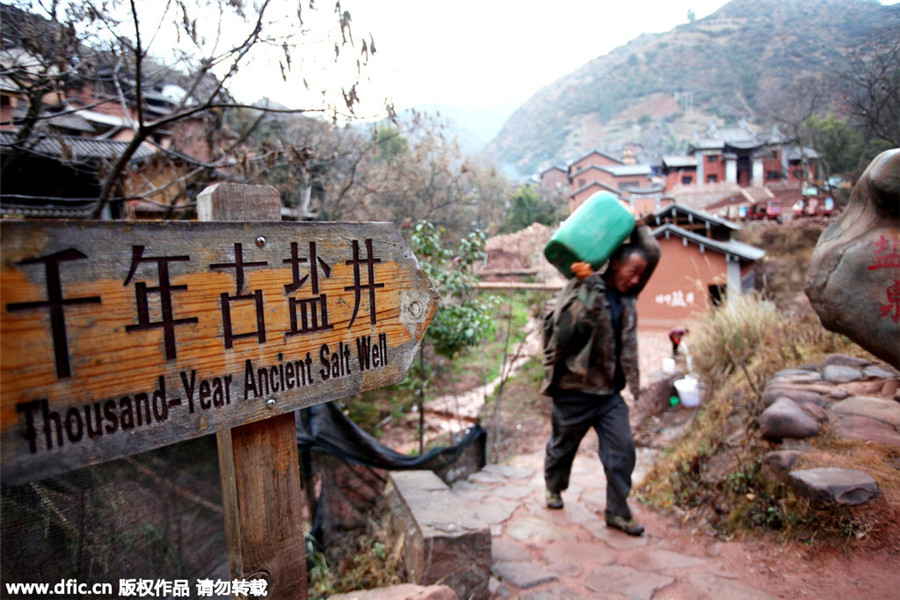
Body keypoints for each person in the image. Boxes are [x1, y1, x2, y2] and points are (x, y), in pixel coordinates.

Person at [541, 217, 660, 536]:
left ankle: (617, 512)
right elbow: (571, 331)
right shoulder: (578, 289)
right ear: (615, 266)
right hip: (573, 393)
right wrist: (590, 284)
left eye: (640, 274)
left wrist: (636, 226)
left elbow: (651, 253)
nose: (637, 280)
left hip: (608, 395)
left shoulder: (628, 294)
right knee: (562, 448)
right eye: (632, 272)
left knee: (622, 451)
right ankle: (554, 487)